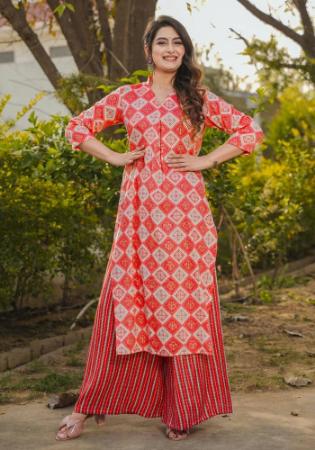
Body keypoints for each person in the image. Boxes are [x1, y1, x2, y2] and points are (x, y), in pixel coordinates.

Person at [55, 15, 264, 442]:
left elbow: (248, 131)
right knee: (125, 301)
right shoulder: (128, 98)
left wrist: (207, 159)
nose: (171, 49)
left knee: (183, 311)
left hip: (186, 218)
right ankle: (88, 405)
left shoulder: (198, 98)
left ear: (184, 52)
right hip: (138, 217)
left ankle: (181, 410)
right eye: (163, 42)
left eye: (178, 44)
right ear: (148, 50)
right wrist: (114, 156)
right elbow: (75, 128)